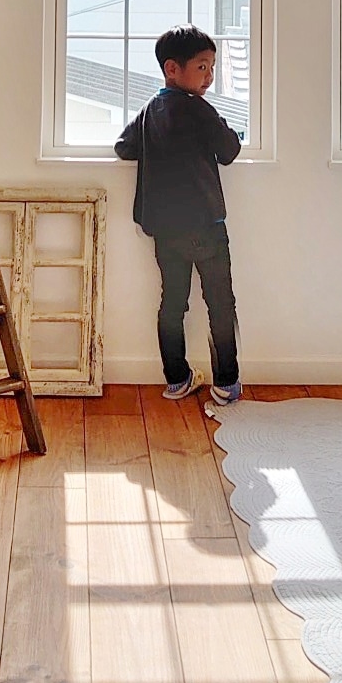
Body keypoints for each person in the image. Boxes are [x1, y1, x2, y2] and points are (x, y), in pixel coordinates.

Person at [114, 24, 243, 405]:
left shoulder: (150, 110)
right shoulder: (198, 109)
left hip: (166, 229)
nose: (210, 76)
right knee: (220, 303)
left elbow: (123, 147)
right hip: (205, 225)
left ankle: (176, 379)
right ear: (172, 68)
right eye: (202, 67)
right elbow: (229, 150)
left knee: (172, 303)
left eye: (212, 67)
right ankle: (226, 382)